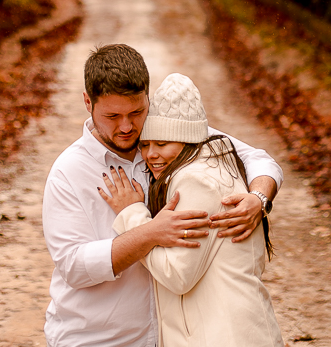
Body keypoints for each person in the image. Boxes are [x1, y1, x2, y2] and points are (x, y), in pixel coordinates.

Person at [43, 44, 282, 347]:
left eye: (136, 112)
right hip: (98, 339)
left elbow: (258, 159)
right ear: (87, 102)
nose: (127, 127)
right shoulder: (69, 171)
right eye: (112, 115)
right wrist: (148, 233)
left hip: (169, 338)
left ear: (147, 97)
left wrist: (258, 199)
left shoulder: (168, 136)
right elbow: (74, 266)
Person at [99, 73, 284, 347]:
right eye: (146, 145)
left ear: (188, 141)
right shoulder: (215, 165)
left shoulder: (195, 180)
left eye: (162, 144)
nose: (151, 155)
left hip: (223, 336)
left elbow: (178, 276)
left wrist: (133, 214)